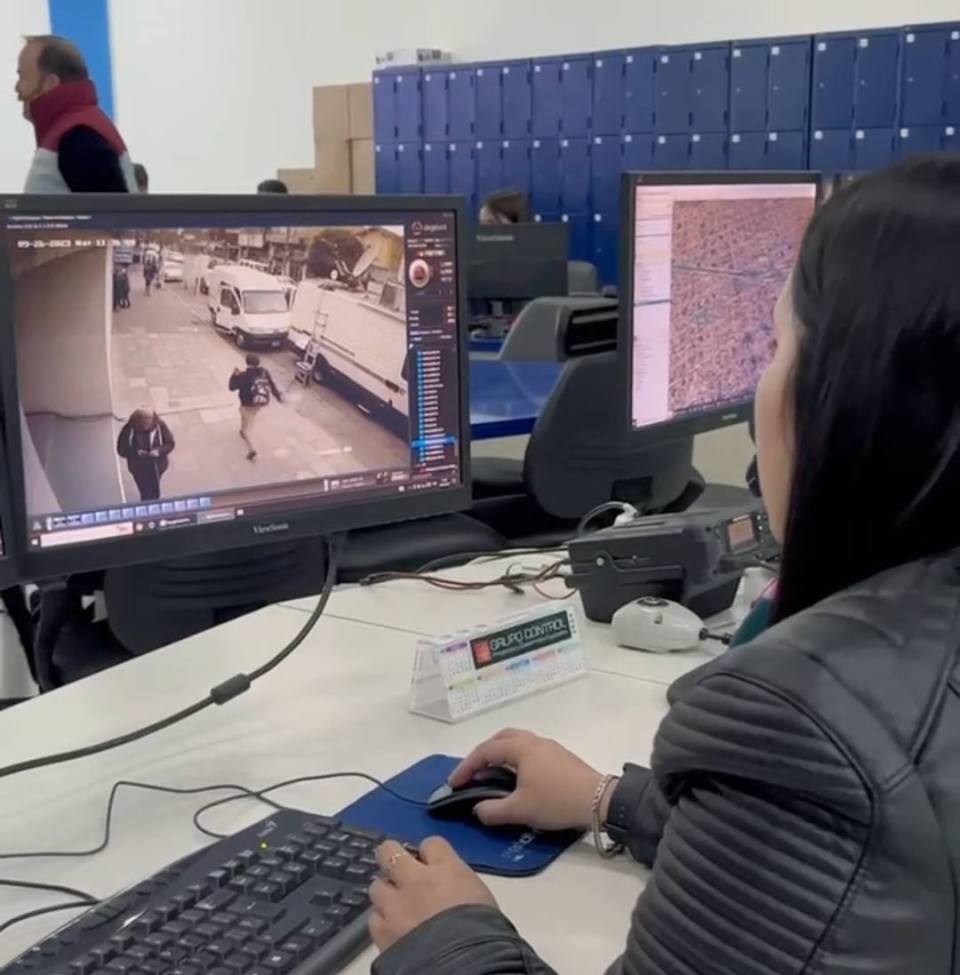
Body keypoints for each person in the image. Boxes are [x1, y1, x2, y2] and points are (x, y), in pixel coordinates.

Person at [367, 156, 960, 974]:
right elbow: (864, 860)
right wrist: (613, 800)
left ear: (850, 400)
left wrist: (449, 937)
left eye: (778, 345)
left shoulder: (798, 719)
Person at [15, 35, 136, 193]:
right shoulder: (79, 128)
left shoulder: (78, 136)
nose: (17, 88)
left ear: (49, 84)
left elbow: (109, 207)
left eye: (22, 77)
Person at [229, 354, 283, 461]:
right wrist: (278, 397)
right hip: (258, 403)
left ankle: (252, 449)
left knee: (248, 428)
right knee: (248, 417)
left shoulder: (243, 375)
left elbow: (231, 388)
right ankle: (242, 429)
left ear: (247, 362)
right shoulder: (264, 372)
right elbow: (272, 386)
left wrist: (234, 375)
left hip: (246, 404)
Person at [116, 409, 175, 502]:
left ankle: (153, 500)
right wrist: (136, 453)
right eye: (142, 425)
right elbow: (121, 449)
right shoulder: (129, 429)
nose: (145, 427)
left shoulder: (160, 426)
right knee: (144, 489)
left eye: (147, 424)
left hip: (157, 465)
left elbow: (170, 443)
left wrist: (159, 451)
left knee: (155, 486)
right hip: (138, 467)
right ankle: (148, 501)